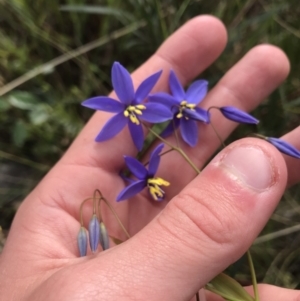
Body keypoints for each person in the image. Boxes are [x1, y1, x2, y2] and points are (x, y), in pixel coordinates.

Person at [0, 15, 299, 301]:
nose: (134, 114)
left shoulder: (171, 120)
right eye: (130, 111)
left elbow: (166, 122)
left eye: (136, 109)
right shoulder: (138, 126)